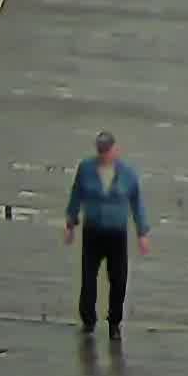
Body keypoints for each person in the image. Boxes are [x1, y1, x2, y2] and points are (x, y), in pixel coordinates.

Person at [64, 130, 151, 335]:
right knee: (88, 278)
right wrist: (71, 223)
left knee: (119, 279)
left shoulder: (128, 174)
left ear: (115, 149)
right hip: (93, 231)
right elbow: (76, 195)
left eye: (107, 151)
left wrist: (142, 233)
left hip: (116, 233)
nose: (104, 155)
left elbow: (137, 203)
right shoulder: (86, 169)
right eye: (101, 151)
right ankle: (88, 320)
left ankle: (114, 322)